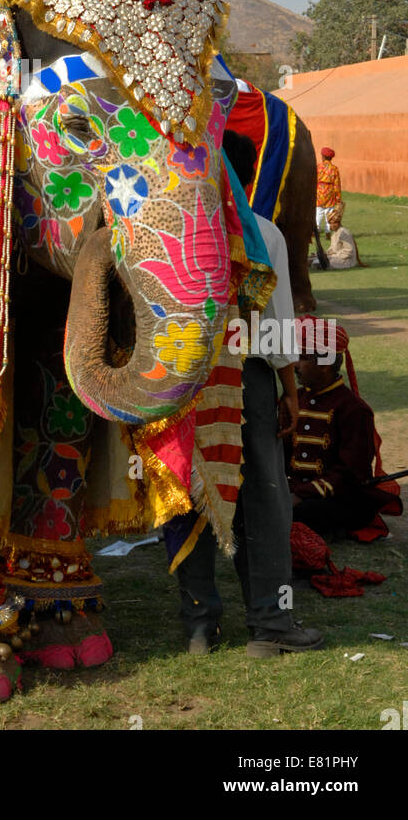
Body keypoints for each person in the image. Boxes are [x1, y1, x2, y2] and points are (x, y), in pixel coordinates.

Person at [173, 129, 324, 657]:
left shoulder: (173, 230)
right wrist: (290, 388)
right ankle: (271, 624)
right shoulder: (262, 232)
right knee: (263, 494)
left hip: (183, 382)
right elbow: (279, 325)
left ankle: (199, 624)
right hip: (248, 379)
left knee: (189, 493)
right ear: (246, 176)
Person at [288, 323, 395, 536]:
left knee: (307, 511)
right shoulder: (296, 399)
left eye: (303, 358)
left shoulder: (354, 409)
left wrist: (301, 495)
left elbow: (350, 472)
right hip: (295, 491)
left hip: (336, 496)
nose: (295, 365)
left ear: (325, 365)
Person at [315, 146, 342, 231]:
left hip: (319, 192)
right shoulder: (334, 169)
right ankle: (328, 231)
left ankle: (317, 229)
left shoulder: (318, 167)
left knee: (318, 212)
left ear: (323, 157)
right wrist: (338, 198)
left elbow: (313, 180)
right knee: (329, 212)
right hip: (330, 192)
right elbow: (337, 184)